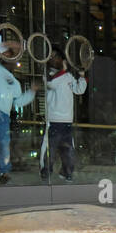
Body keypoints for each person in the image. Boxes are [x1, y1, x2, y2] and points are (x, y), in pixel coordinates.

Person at [0, 38, 38, 184]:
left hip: (4, 114)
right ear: (3, 55)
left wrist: (32, 92)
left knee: (4, 144)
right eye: (9, 54)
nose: (11, 58)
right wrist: (8, 44)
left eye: (14, 56)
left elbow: (19, 101)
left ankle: (4, 172)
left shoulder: (15, 82)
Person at [42, 52, 87, 182]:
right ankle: (46, 171)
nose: (55, 59)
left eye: (57, 57)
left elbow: (79, 90)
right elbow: (52, 84)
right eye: (52, 57)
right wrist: (64, 71)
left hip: (67, 119)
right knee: (51, 148)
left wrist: (82, 77)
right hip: (54, 120)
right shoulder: (49, 75)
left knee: (67, 149)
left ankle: (67, 172)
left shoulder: (67, 76)